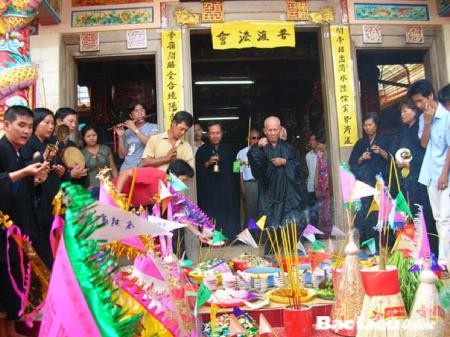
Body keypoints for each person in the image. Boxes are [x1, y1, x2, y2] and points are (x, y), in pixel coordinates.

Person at [0, 106, 51, 337]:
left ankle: (11, 328)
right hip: (4, 228)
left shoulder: (19, 153)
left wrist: (36, 180)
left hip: (20, 224)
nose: (26, 131)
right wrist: (23, 173)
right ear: (6, 124)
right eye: (21, 125)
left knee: (15, 278)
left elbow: (21, 190)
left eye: (29, 127)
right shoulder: (1, 150)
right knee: (5, 277)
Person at [408, 79, 450, 269]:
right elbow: (423, 144)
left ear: (430, 96)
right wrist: (426, 123)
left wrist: (444, 174)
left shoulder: (447, 117)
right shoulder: (423, 118)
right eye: (415, 102)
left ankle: (444, 262)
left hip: (444, 173)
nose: (418, 106)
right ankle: (444, 261)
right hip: (430, 174)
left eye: (419, 101)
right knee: (438, 218)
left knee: (445, 218)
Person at [393, 100, 438, 254]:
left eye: (406, 111)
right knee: (412, 215)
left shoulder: (420, 128)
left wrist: (410, 165)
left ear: (415, 111)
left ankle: (433, 252)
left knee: (425, 214)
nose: (402, 114)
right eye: (401, 112)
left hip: (421, 176)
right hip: (409, 179)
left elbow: (424, 153)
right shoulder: (405, 130)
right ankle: (420, 251)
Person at [248, 116, 308, 229]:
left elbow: (301, 170)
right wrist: (257, 147)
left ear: (280, 129)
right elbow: (257, 170)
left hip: (287, 195)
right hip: (268, 196)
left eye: (275, 130)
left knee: (288, 229)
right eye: (270, 130)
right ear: (265, 131)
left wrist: (285, 162)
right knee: (270, 229)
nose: (272, 133)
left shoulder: (289, 148)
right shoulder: (260, 148)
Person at [349, 113, 390, 243]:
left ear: (376, 126)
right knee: (364, 212)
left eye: (370, 124)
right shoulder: (361, 143)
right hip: (365, 184)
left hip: (381, 182)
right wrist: (362, 157)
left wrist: (381, 152)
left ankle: (382, 242)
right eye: (365, 125)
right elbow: (352, 162)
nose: (367, 127)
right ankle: (368, 241)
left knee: (380, 211)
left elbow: (393, 159)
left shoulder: (384, 140)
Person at [196, 122, 240, 239]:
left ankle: (229, 237)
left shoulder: (229, 149)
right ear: (208, 134)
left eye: (217, 133)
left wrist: (237, 185)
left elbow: (236, 169)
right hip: (210, 191)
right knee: (211, 214)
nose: (215, 136)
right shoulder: (202, 150)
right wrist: (208, 163)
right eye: (212, 133)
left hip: (227, 189)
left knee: (228, 213)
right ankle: (210, 238)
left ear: (222, 133)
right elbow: (196, 171)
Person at [114, 103, 159, 172]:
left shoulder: (154, 127)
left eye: (142, 110)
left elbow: (150, 144)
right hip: (126, 169)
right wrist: (120, 136)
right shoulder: (127, 132)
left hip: (143, 169)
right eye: (136, 111)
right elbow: (122, 155)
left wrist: (135, 129)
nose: (140, 113)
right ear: (131, 116)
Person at [80, 125, 118, 195]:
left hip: (109, 186)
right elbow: (80, 174)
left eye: (94, 135)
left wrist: (116, 185)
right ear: (83, 138)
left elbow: (113, 168)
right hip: (91, 188)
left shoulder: (105, 149)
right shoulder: (81, 153)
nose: (91, 138)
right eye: (88, 136)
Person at [55, 107, 88, 185]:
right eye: (70, 121)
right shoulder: (51, 144)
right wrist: (70, 175)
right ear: (59, 121)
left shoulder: (72, 144)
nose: (74, 125)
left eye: (75, 123)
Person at [236, 129, 260, 224]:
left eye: (258, 138)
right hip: (249, 185)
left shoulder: (263, 151)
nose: (256, 140)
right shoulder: (240, 153)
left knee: (261, 211)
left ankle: (260, 235)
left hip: (260, 184)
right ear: (248, 139)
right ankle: (251, 234)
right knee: (250, 211)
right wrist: (242, 187)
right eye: (253, 138)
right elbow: (236, 170)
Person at [314, 136, 332, 236]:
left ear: (326, 144)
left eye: (320, 143)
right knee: (321, 210)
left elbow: (330, 172)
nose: (318, 146)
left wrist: (325, 186)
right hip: (321, 186)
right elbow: (317, 170)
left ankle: (329, 234)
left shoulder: (331, 155)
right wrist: (316, 185)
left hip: (328, 187)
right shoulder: (319, 155)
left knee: (328, 211)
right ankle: (324, 233)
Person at [305, 133, 319, 225]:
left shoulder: (322, 155)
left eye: (314, 139)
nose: (312, 142)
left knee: (321, 210)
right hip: (310, 187)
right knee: (312, 211)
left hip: (321, 187)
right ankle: (315, 233)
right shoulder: (308, 156)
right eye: (311, 140)